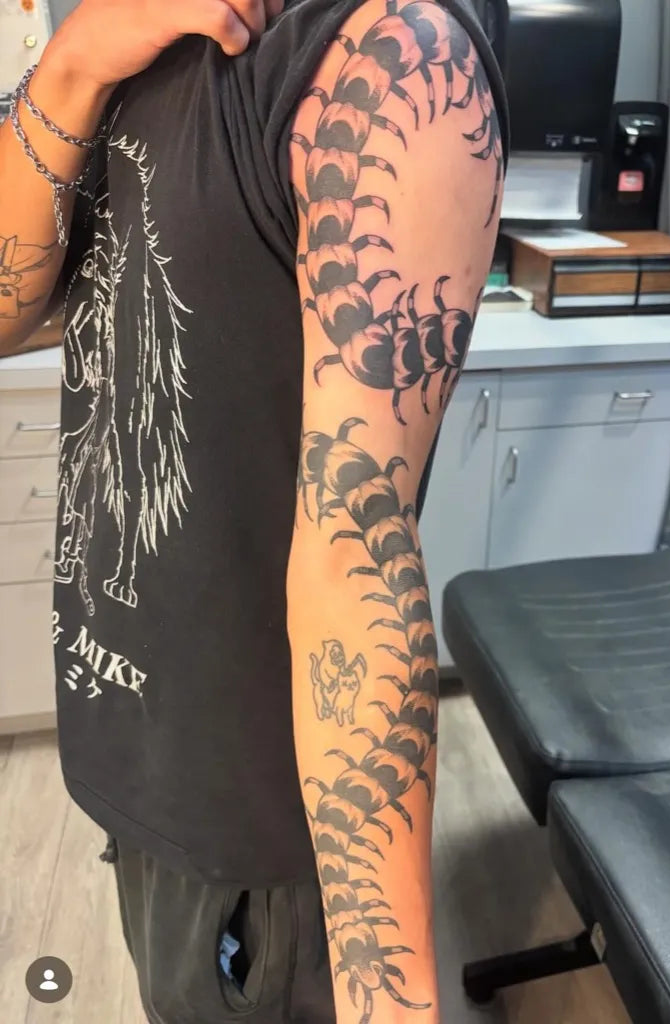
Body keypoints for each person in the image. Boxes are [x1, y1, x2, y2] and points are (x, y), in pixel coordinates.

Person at [0, 0, 508, 1020]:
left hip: (263, 832)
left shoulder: (389, 56)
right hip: (138, 743)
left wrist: (390, 999)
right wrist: (74, 64)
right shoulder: (127, 37)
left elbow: (355, 547)